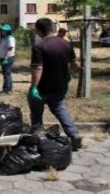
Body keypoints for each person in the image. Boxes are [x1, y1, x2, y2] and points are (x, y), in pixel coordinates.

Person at [28, 18, 82, 151]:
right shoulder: (66, 44)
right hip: (60, 86)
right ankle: (74, 134)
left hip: (43, 87)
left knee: (36, 111)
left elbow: (38, 68)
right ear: (52, 28)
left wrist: (34, 86)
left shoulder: (39, 46)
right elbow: (75, 65)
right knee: (59, 108)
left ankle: (37, 136)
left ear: (39, 30)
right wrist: (69, 74)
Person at [0, 23, 16, 95]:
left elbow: (9, 49)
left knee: (7, 74)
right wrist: (0, 58)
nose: (2, 31)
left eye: (4, 30)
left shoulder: (10, 38)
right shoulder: (4, 38)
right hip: (4, 58)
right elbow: (2, 49)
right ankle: (6, 89)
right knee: (5, 74)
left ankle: (8, 90)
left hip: (8, 58)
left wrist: (5, 59)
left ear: (8, 31)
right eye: (2, 30)